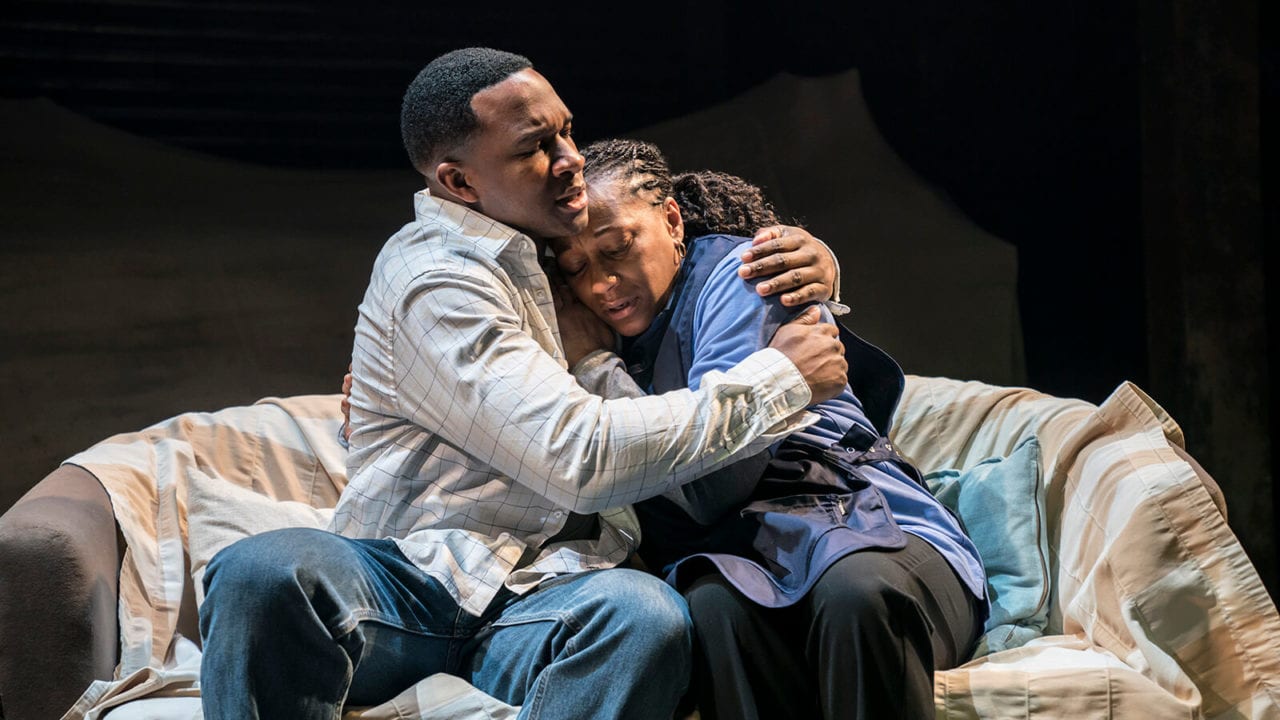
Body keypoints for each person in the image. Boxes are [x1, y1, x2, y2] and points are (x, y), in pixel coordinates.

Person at [199, 48, 848, 720]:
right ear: (459, 181)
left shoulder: (548, 254)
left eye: (566, 130)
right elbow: (581, 457)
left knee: (644, 617)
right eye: (537, 147)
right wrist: (781, 380)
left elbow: (671, 235)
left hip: (552, 594)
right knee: (264, 571)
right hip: (414, 581)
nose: (571, 159)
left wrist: (817, 259)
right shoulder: (439, 280)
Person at [549, 138, 988, 720]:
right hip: (738, 551)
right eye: (578, 268)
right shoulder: (587, 337)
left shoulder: (741, 274)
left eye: (618, 247)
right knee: (713, 610)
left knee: (854, 594)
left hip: (863, 523)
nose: (604, 284)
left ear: (672, 219)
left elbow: (714, 485)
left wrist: (598, 370)